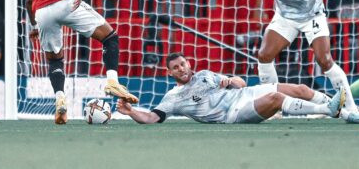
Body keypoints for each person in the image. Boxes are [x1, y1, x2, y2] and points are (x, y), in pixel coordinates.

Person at [26, 0, 138, 124]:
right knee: (110, 37)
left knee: (55, 60)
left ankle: (60, 97)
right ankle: (112, 81)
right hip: (67, 3)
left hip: (41, 11)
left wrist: (34, 24)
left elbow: (28, 0)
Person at [253, 0, 359, 124]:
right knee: (264, 55)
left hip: (312, 16)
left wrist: (314, 10)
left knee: (324, 60)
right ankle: (271, 107)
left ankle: (352, 109)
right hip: (285, 17)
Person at [117, 52, 346, 124]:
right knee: (275, 98)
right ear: (169, 73)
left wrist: (231, 79)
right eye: (175, 68)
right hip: (232, 114)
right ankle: (329, 110)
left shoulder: (205, 75)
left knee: (301, 89)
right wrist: (131, 112)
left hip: (244, 93)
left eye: (183, 64)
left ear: (189, 63)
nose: (181, 69)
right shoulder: (173, 97)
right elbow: (152, 118)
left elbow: (241, 83)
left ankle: (343, 110)